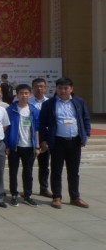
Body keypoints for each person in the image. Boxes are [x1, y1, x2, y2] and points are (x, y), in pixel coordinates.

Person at [39, 77, 91, 209]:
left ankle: (75, 197)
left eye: (66, 88)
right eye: (60, 88)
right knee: (56, 170)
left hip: (75, 141)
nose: (63, 91)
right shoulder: (49, 104)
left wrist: (86, 134)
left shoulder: (78, 101)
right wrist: (43, 140)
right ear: (56, 89)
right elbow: (42, 124)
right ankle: (57, 197)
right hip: (57, 142)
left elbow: (85, 118)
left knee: (74, 171)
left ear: (71, 89)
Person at [4, 84, 40, 207]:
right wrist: (6, 145)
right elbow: (6, 129)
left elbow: (37, 129)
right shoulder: (10, 109)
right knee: (13, 172)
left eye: (26, 93)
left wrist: (37, 146)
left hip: (29, 146)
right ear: (17, 95)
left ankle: (27, 195)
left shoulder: (34, 110)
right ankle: (14, 195)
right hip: (14, 146)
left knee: (28, 172)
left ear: (30, 94)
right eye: (21, 93)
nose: (24, 95)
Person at [29, 77, 52, 198]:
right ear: (32, 88)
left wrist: (47, 140)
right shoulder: (27, 102)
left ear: (45, 88)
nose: (39, 89)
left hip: (44, 139)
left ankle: (44, 188)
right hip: (30, 139)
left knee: (44, 166)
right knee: (28, 166)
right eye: (36, 86)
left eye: (41, 86)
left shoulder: (50, 102)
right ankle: (27, 189)